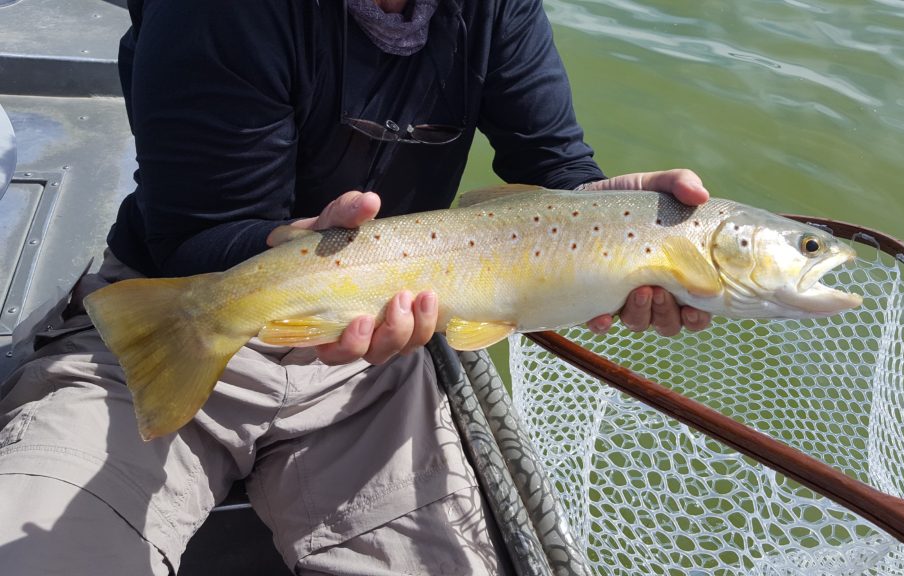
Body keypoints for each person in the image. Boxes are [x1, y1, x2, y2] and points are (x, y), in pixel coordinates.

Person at [0, 0, 711, 573]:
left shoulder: (497, 9)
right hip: (175, 311)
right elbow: (194, 238)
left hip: (374, 353)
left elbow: (555, 171)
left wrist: (612, 229)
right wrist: (295, 247)